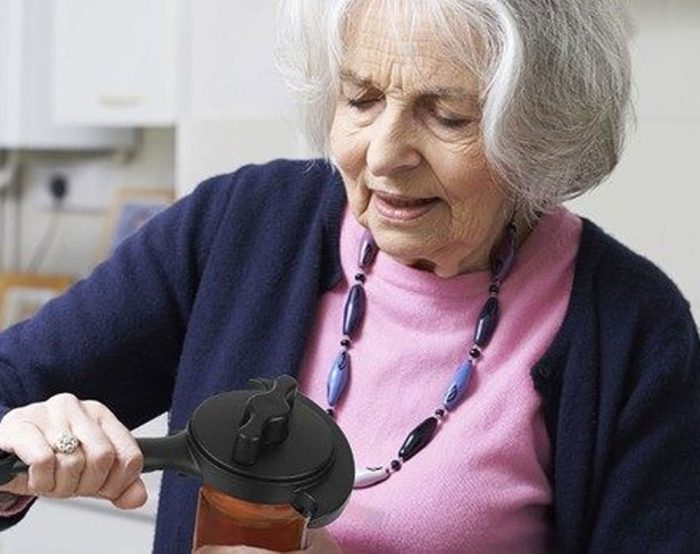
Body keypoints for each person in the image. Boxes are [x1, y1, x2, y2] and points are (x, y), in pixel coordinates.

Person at [1, 0, 699, 552]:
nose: (386, 154)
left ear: (536, 129)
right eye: (361, 99)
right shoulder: (238, 227)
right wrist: (19, 446)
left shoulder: (632, 333)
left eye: (446, 114)